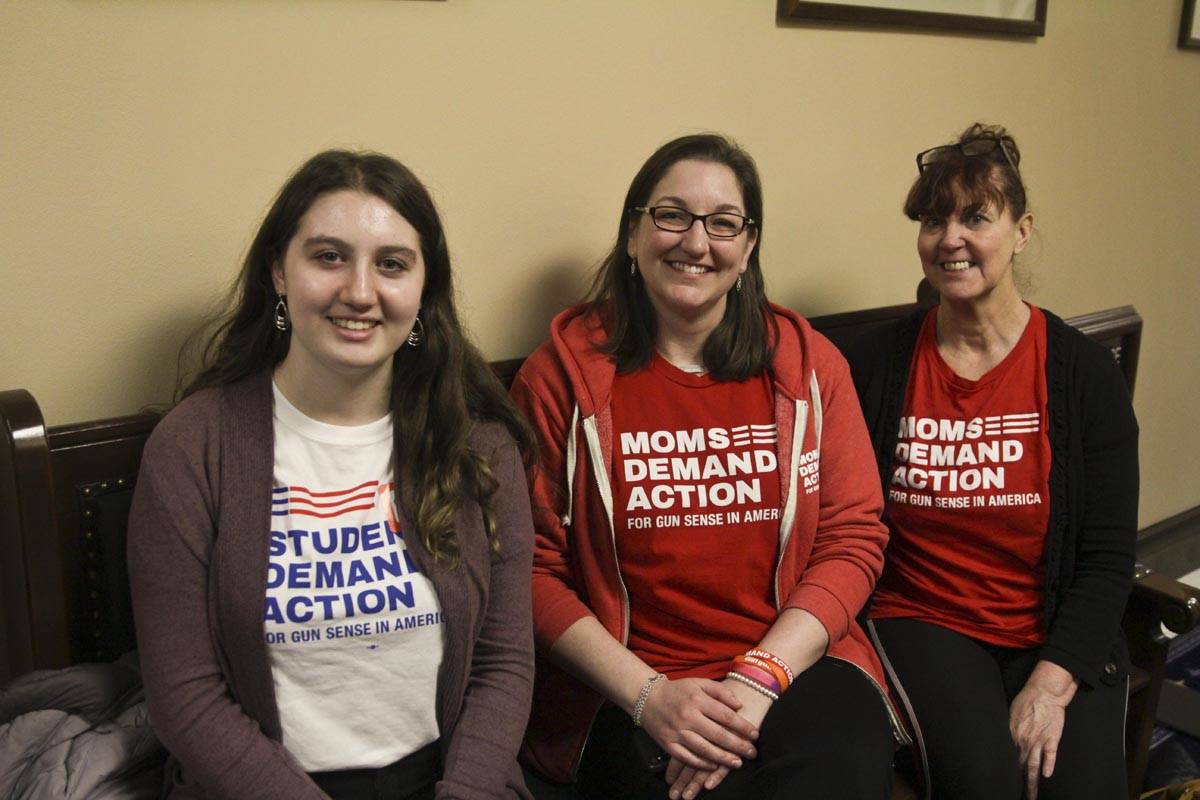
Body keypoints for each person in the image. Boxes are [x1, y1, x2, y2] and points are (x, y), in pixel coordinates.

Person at [127, 150, 537, 800]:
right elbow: (185, 695)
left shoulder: (480, 445)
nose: (360, 291)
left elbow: (502, 663)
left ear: (424, 291)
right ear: (278, 272)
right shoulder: (193, 446)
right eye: (328, 256)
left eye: (392, 265)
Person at [512, 134, 900, 800]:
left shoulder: (811, 369)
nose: (696, 242)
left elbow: (852, 540)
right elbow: (530, 569)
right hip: (625, 685)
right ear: (633, 232)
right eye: (671, 215)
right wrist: (648, 698)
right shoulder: (558, 379)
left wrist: (760, 678)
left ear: (748, 248)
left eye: (723, 223)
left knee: (839, 776)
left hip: (796, 662)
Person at [847, 124, 1138, 800]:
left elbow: (1107, 553)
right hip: (924, 618)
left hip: (1054, 625)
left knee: (1080, 788)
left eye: (975, 217)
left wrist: (1053, 679)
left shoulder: (1082, 374)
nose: (949, 238)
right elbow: (845, 522)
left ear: (1022, 230)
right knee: (988, 786)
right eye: (932, 219)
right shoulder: (875, 366)